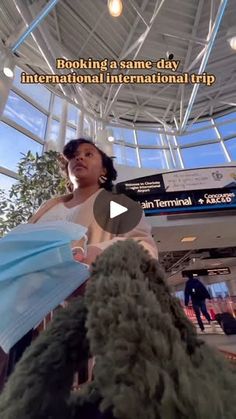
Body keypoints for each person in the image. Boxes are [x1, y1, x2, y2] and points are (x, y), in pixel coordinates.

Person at [29, 138, 158, 264]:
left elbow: (143, 248)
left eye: (88, 154)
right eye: (74, 156)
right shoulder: (49, 206)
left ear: (104, 170)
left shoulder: (119, 205)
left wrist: (99, 253)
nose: (79, 158)